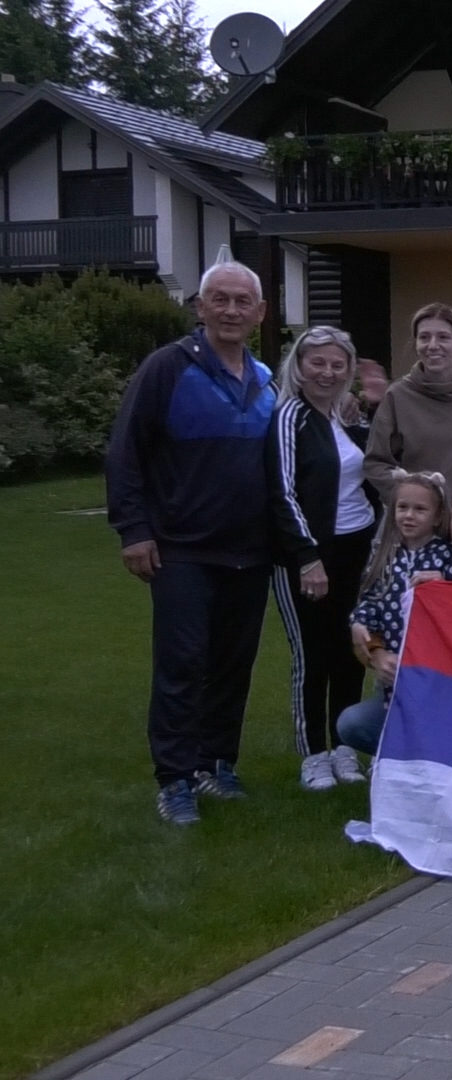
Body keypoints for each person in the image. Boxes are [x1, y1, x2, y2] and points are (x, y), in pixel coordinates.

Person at [107, 262, 282, 825]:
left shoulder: (265, 380)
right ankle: (175, 779)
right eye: (219, 299)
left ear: (260, 313)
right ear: (201, 307)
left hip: (249, 553)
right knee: (182, 665)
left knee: (233, 666)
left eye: (242, 301)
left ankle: (215, 764)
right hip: (182, 549)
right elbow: (125, 451)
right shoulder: (167, 368)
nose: (231, 310)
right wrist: (134, 530)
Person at [336, 476, 452, 755]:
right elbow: (371, 600)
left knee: (431, 725)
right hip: (401, 674)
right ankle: (402, 766)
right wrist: (370, 643)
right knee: (370, 723)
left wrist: (446, 592)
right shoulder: (387, 556)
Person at [266, 326, 380, 791]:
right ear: (299, 366)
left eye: (337, 365)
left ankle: (343, 747)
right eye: (318, 363)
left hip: (357, 548)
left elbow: (372, 466)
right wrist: (307, 556)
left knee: (351, 650)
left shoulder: (344, 416)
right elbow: (282, 491)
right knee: (312, 655)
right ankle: (313, 753)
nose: (327, 373)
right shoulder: (290, 417)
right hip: (310, 553)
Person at [363, 303, 452, 503]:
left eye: (443, 337)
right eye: (424, 337)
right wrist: (410, 498)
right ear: (416, 345)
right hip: (417, 517)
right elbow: (375, 464)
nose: (432, 345)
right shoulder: (398, 396)